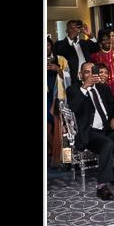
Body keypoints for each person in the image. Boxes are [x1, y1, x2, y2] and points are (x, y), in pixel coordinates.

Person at [66, 62, 114, 200]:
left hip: (106, 129)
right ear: (80, 75)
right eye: (86, 72)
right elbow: (76, 108)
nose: (90, 75)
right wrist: (85, 87)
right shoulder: (74, 90)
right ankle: (101, 186)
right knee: (108, 143)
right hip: (89, 132)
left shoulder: (103, 88)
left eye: (93, 71)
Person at [53, 19, 99, 84]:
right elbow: (59, 50)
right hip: (73, 80)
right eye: (71, 28)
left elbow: (97, 48)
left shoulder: (84, 43)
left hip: (88, 77)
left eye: (76, 28)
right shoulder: (60, 44)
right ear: (66, 31)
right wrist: (71, 39)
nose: (74, 30)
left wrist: (90, 35)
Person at [47, 37, 69, 166]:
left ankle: (66, 159)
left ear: (51, 46)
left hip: (59, 96)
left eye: (48, 45)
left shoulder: (61, 59)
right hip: (46, 97)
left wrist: (58, 70)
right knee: (48, 125)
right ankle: (53, 154)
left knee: (62, 129)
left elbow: (68, 77)